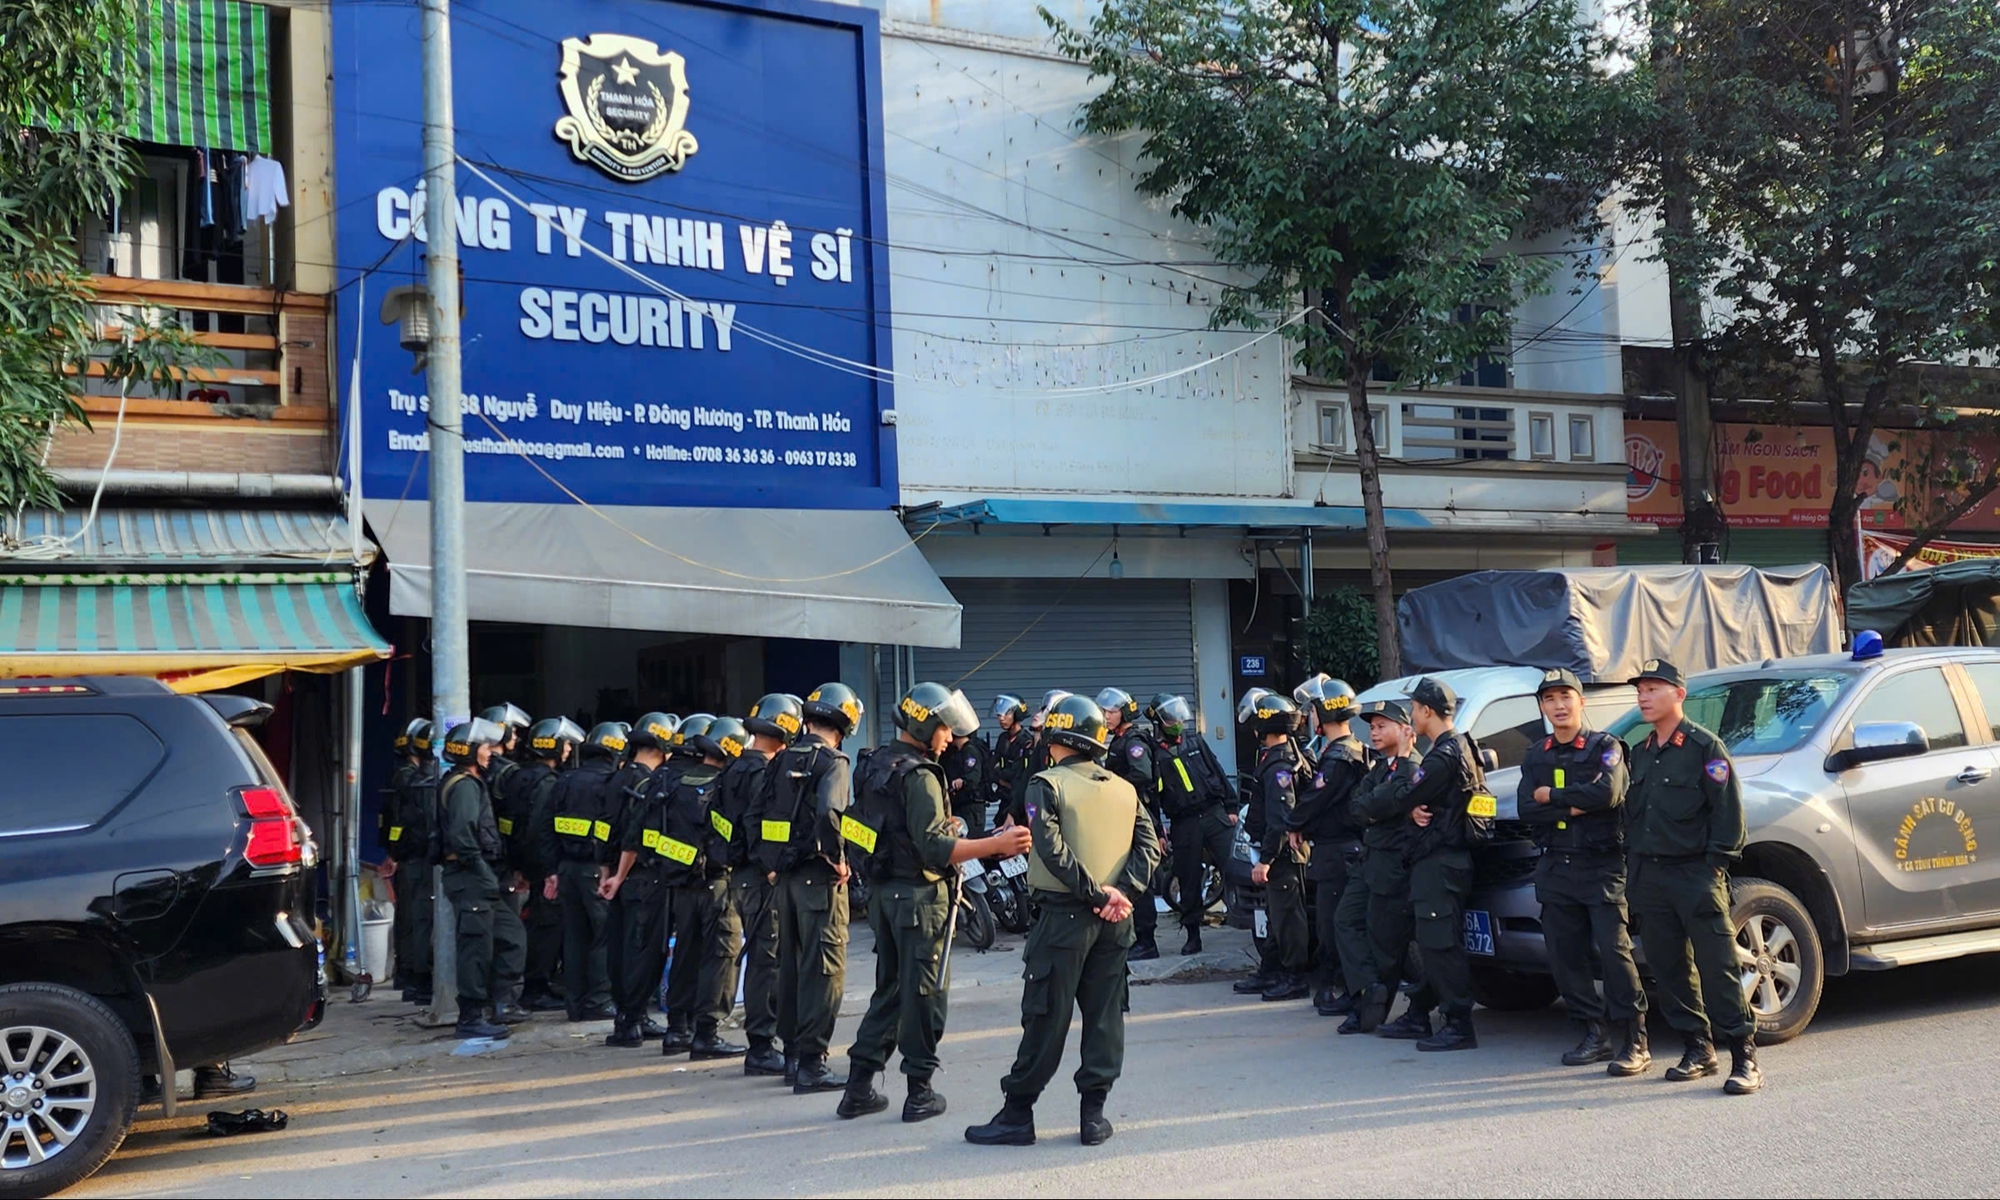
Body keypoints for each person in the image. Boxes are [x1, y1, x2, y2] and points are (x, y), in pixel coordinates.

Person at [965, 694, 1163, 1149]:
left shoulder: (1045, 784)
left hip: (1063, 920)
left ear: (1055, 740)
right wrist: (1121, 894)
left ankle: (1018, 1115)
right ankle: (1093, 1116)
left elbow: (1050, 849)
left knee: (1045, 1017)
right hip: (1116, 921)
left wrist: (1095, 894)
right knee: (1105, 1016)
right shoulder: (1124, 788)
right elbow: (1149, 846)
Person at [839, 684, 1034, 1123]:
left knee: (889, 991)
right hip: (920, 900)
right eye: (945, 729)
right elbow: (935, 849)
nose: (949, 738)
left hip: (885, 897)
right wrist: (994, 844)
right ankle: (919, 1092)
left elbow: (878, 830)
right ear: (926, 726)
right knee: (925, 996)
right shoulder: (921, 775)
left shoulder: (874, 764)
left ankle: (857, 1088)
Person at [1625, 658, 1758, 1094]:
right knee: (1668, 967)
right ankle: (1697, 1049)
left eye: (1653, 689)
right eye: (1640, 690)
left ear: (1679, 694)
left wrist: (1713, 867)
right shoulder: (1640, 753)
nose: (1643, 697)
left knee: (1717, 966)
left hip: (1695, 876)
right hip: (1651, 876)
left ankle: (1744, 1057)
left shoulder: (1705, 748)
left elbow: (1728, 816)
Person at [1518, 668, 1649, 1074]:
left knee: (1614, 954)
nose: (1558, 706)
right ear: (1542, 706)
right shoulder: (1535, 754)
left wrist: (1554, 797)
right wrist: (1576, 804)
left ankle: (1635, 1038)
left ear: (1581, 701)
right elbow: (1526, 807)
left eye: (1565, 697)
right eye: (1550, 699)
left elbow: (1608, 793)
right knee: (1564, 955)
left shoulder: (1605, 746)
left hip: (1602, 865)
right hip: (1556, 865)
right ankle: (1593, 1033)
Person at [758, 682, 862, 1092]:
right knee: (823, 970)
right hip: (818, 882)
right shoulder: (834, 762)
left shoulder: (782, 760)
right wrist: (837, 858)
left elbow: (757, 815)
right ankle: (813, 1064)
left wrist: (769, 864)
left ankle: (792, 1057)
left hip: (783, 882)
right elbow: (829, 813)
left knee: (790, 967)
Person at [1381, 677, 1493, 1052]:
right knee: (1430, 940)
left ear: (1427, 711)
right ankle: (1419, 1013)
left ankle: (1459, 1022)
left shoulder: (1444, 755)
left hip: (1440, 859)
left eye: (1413, 708)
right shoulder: (1463, 747)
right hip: (1443, 858)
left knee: (1440, 943)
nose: (1411, 714)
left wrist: (1409, 801)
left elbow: (1408, 793)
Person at [652, 715, 750, 1060]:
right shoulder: (726, 788)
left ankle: (677, 1029)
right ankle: (707, 1032)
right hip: (717, 884)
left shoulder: (676, 782)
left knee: (685, 955)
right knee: (721, 957)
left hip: (682, 886)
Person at [719, 694, 798, 1075]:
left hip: (740, 877)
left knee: (762, 958)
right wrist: (770, 867)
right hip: (760, 876)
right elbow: (761, 826)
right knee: (767, 961)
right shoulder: (764, 772)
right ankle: (762, 1046)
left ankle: (764, 1041)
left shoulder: (732, 769)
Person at [436, 716, 524, 1039]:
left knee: (511, 936)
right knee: (475, 949)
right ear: (470, 751)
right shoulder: (463, 787)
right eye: (485, 747)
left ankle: (500, 1004)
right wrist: (482, 872)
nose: (491, 752)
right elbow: (463, 836)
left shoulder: (470, 782)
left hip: (480, 877)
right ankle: (471, 1017)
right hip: (471, 877)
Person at [1337, 700, 1421, 1035]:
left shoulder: (1413, 768)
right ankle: (1368, 987)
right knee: (1345, 920)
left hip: (1392, 861)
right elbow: (1356, 807)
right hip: (1369, 857)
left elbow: (1392, 800)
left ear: (1405, 730)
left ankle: (1369, 1010)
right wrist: (1380, 805)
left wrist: (1378, 804)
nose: (1374, 731)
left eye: (1382, 725)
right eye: (1372, 726)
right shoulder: (1379, 769)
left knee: (1385, 940)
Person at [1288, 675, 1367, 1016]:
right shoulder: (1351, 750)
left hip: (1337, 851)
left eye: (1313, 711)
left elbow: (1315, 799)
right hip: (1343, 849)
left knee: (1333, 924)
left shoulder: (1338, 757)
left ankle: (1340, 989)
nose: (1310, 717)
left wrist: (1293, 824)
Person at [600, 713, 676, 1046]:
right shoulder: (650, 784)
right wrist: (619, 875)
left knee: (621, 948)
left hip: (617, 878)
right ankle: (630, 1021)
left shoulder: (616, 778)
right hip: (640, 878)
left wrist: (606, 873)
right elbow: (635, 836)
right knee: (643, 952)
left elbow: (603, 830)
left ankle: (631, 1017)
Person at [538, 719, 616, 1023]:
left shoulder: (564, 780)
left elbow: (547, 828)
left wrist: (551, 869)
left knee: (574, 936)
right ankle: (599, 1000)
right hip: (596, 869)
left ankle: (575, 1003)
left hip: (566, 869)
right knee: (603, 935)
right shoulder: (611, 783)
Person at [1151, 694, 1237, 955]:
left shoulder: (1195, 741)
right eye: (1171, 719)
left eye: (1179, 717)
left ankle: (1249, 918)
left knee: (1234, 866)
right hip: (1184, 823)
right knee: (1188, 879)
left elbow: (1218, 772)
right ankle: (1192, 934)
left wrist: (1231, 807)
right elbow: (1152, 796)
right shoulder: (1155, 754)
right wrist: (1158, 830)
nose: (1177, 722)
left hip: (1213, 814)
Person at [1239, 690, 1311, 1002]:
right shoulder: (1276, 757)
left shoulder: (1282, 764)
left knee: (1288, 917)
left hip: (1283, 855)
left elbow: (1281, 818)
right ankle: (1271, 969)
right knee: (1274, 914)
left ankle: (1294, 977)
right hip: (1275, 851)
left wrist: (1266, 859)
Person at [1097, 687, 1164, 960]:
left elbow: (1142, 774)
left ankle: (1147, 940)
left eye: (1111, 711)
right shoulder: (1118, 740)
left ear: (1124, 712)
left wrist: (1112, 785)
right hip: (1124, 814)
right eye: (1104, 711)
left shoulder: (1134, 741)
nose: (1106, 716)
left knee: (1140, 878)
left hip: (1137, 815)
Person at [381, 718, 436, 1005]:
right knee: (419, 920)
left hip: (406, 856)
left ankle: (408, 976)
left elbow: (393, 823)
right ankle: (416, 979)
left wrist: (393, 852)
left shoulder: (402, 776)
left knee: (410, 919)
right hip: (416, 858)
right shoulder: (417, 781)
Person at [989, 695, 1033, 828]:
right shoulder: (1002, 739)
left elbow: (1017, 774)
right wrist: (999, 775)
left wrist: (999, 772)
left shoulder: (1026, 741)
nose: (1001, 718)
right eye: (999, 714)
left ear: (1017, 714)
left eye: (1007, 713)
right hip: (1004, 799)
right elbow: (990, 768)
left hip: (1018, 803)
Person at [943, 726, 989, 839]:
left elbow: (974, 776)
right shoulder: (955, 753)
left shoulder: (970, 750)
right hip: (960, 805)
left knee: (972, 840)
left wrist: (963, 781)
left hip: (971, 808)